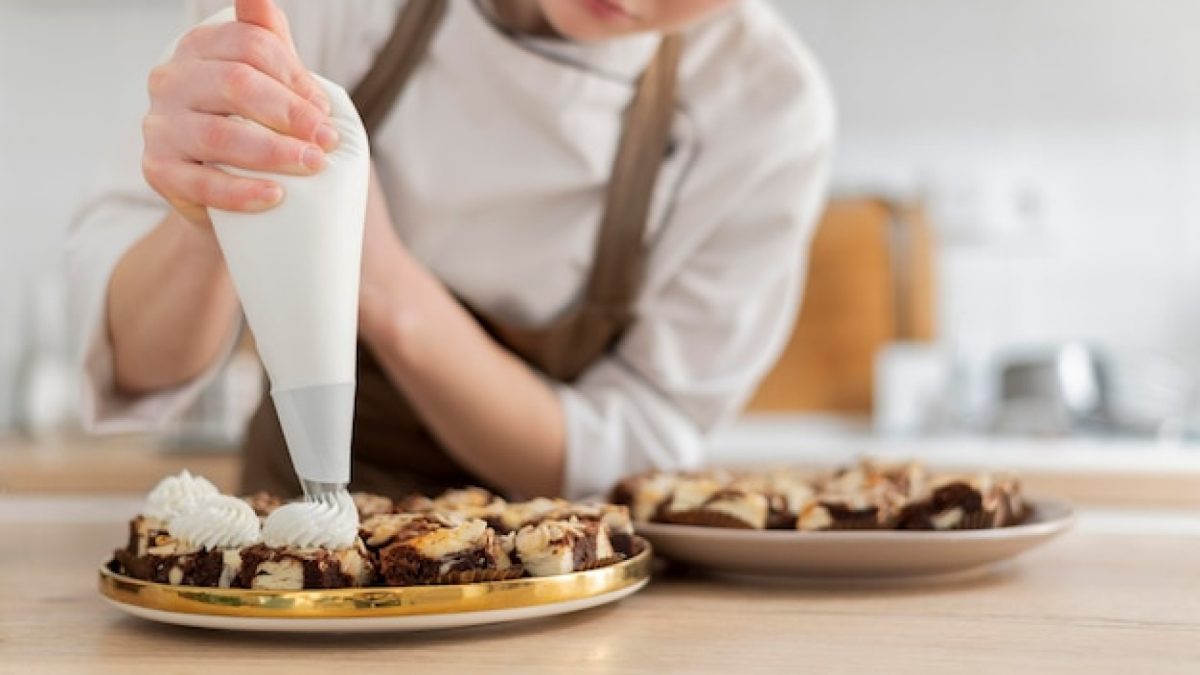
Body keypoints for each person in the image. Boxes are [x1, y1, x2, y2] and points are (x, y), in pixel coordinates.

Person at [68, 0, 834, 500]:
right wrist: (214, 212)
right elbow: (137, 363)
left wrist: (388, 291)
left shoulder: (765, 110)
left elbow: (633, 461)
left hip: (561, 604)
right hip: (285, 580)